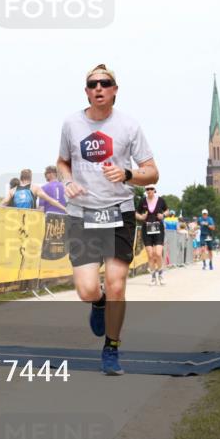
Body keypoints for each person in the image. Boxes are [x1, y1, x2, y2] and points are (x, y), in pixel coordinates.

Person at [57, 64, 159, 375]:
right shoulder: (71, 124)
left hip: (119, 212)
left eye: (105, 83)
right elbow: (62, 162)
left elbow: (152, 171)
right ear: (86, 91)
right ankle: (97, 303)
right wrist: (66, 181)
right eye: (92, 84)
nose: (99, 88)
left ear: (115, 89)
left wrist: (128, 174)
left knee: (117, 284)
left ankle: (111, 348)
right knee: (87, 289)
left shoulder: (129, 126)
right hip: (82, 214)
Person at [135, 186, 167, 285]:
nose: (149, 191)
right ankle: (153, 277)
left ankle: (161, 274)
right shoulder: (143, 201)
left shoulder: (160, 200)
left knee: (157, 253)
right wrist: (141, 217)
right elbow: (136, 213)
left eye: (151, 189)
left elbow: (167, 210)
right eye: (147, 189)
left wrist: (163, 215)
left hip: (158, 229)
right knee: (150, 254)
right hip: (146, 228)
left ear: (154, 190)